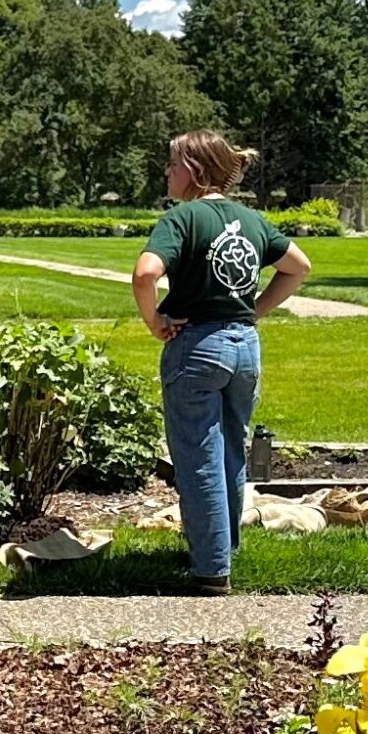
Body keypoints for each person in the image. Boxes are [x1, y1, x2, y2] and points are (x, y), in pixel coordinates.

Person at [131, 131, 313, 595]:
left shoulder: (182, 218)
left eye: (172, 164)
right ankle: (224, 547)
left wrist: (155, 321)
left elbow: (145, 273)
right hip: (244, 347)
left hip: (196, 346)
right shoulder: (251, 219)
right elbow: (298, 266)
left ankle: (211, 571)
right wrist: (253, 309)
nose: (166, 173)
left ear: (194, 170)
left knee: (198, 457)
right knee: (232, 452)